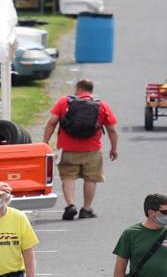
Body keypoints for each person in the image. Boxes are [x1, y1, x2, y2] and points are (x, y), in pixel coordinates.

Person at [43, 79, 120, 221]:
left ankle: (70, 205)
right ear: (91, 90)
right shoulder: (101, 105)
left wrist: (45, 143)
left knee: (67, 177)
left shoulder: (63, 103)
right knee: (91, 178)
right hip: (92, 150)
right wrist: (114, 148)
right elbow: (112, 130)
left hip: (66, 149)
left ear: (77, 88)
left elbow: (52, 122)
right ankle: (86, 209)